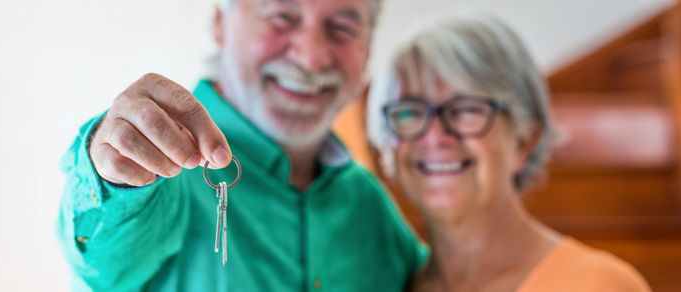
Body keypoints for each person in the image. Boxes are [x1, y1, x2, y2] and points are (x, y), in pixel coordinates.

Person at [56, 0, 427, 290]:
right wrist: (114, 166)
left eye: (342, 27)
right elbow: (103, 255)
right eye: (282, 15)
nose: (312, 56)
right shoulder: (160, 172)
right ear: (220, 23)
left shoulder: (370, 204)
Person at [366, 14, 652, 291]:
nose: (436, 136)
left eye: (466, 109)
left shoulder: (599, 285)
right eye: (411, 112)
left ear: (525, 139)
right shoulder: (384, 284)